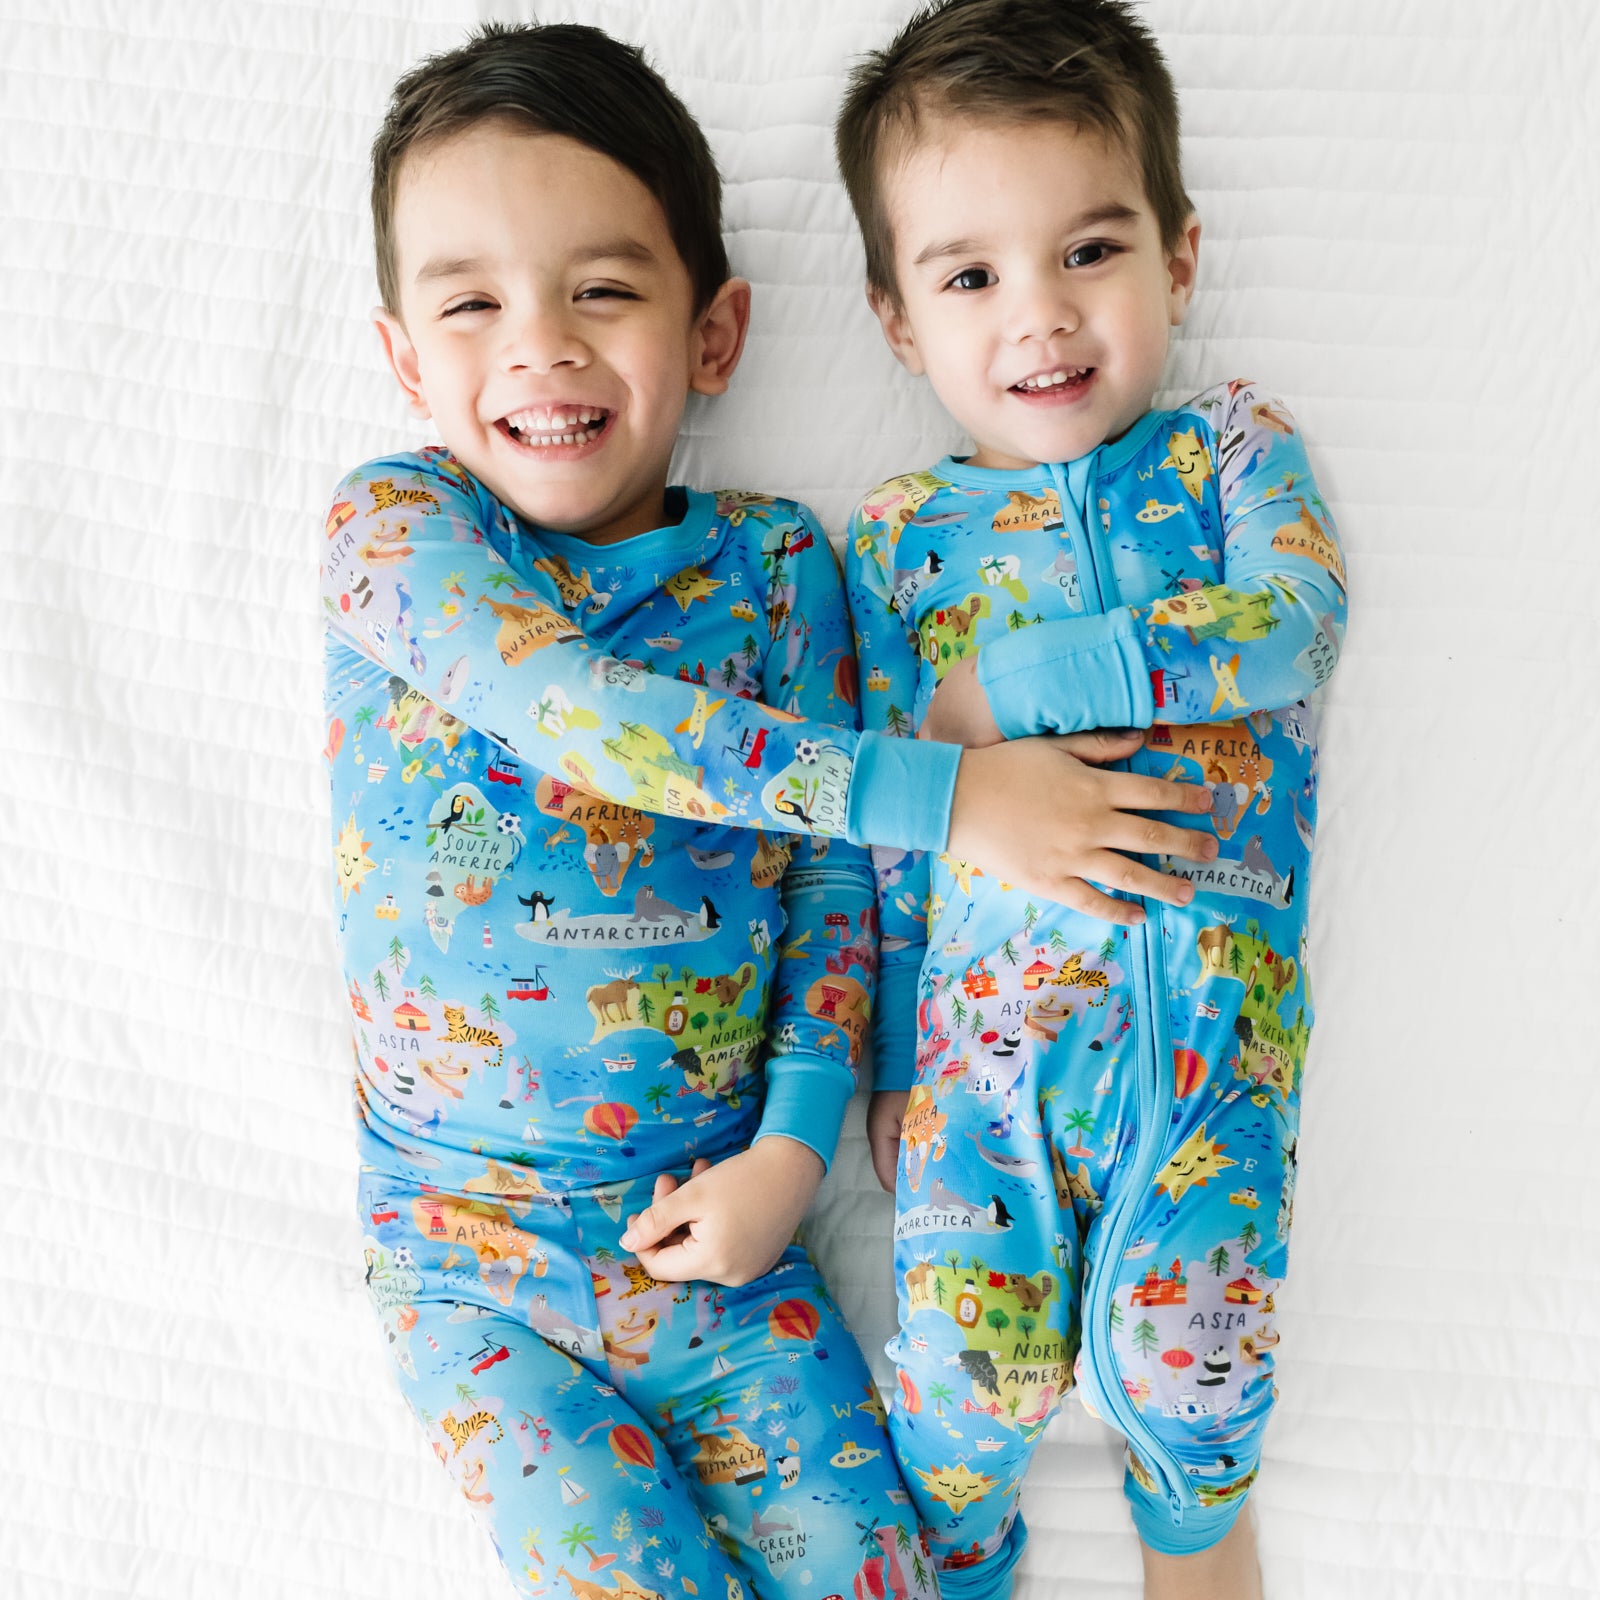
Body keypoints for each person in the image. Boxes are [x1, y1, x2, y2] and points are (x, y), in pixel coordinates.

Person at [321, 22, 1211, 1598]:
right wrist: (955, 796)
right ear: (405, 360)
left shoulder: (779, 566)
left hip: (720, 1242)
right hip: (469, 1266)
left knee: (897, 1570)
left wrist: (794, 1153)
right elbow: (592, 719)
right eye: (472, 305)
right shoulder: (398, 533)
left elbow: (829, 893)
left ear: (715, 333)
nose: (540, 348)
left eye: (603, 290)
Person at [834, 3, 1348, 1596]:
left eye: (1092, 251)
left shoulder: (1231, 451)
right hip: (983, 1055)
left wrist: (1019, 686)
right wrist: (892, 1047)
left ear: (1179, 259)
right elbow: (893, 826)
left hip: (1217, 1039)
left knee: (1197, 1379)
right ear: (897, 323)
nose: (1041, 316)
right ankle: (966, 1556)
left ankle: (1198, 1541)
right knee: (959, 1387)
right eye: (971, 278)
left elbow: (1294, 623)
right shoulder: (897, 541)